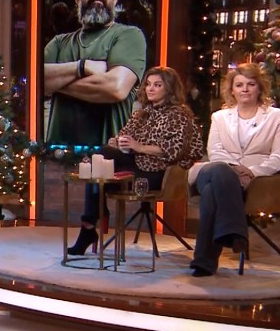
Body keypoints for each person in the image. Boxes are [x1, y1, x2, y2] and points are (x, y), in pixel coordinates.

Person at [68, 66, 204, 255]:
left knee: (101, 176)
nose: (151, 89)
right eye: (148, 84)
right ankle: (89, 226)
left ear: (169, 88)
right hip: (135, 164)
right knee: (102, 157)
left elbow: (176, 151)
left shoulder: (179, 114)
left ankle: (90, 227)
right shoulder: (142, 113)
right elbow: (125, 137)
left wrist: (139, 147)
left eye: (157, 85)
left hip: (160, 172)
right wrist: (118, 142)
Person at [187, 63, 280, 277]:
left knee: (211, 192)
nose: (245, 89)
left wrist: (252, 171)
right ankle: (235, 231)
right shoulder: (219, 117)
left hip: (250, 179)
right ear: (232, 90)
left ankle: (204, 262)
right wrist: (235, 169)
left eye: (250, 84)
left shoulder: (277, 117)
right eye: (239, 85)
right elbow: (215, 151)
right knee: (220, 170)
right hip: (213, 171)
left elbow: (278, 156)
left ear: (259, 88)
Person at [43, 0, 147, 146]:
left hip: (109, 155)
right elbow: (36, 81)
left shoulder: (129, 36)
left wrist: (57, 82)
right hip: (59, 154)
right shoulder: (59, 43)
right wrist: (82, 67)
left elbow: (115, 88)